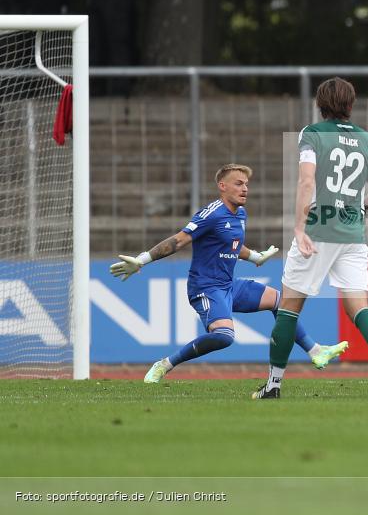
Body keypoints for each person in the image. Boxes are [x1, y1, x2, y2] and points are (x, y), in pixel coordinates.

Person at [109, 164, 348, 383]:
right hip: (206, 287)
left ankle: (316, 351)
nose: (244, 189)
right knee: (224, 336)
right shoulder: (210, 213)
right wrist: (141, 260)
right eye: (238, 183)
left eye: (246, 184)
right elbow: (179, 240)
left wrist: (255, 256)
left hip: (229, 285)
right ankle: (165, 364)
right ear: (222, 186)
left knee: (281, 302)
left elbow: (231, 244)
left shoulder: (240, 214)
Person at [254, 78, 368, 400]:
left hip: (317, 231)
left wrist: (299, 227)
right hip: (352, 233)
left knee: (290, 307)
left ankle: (273, 385)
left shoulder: (313, 134)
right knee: (359, 308)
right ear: (352, 105)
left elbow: (307, 181)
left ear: (320, 104)